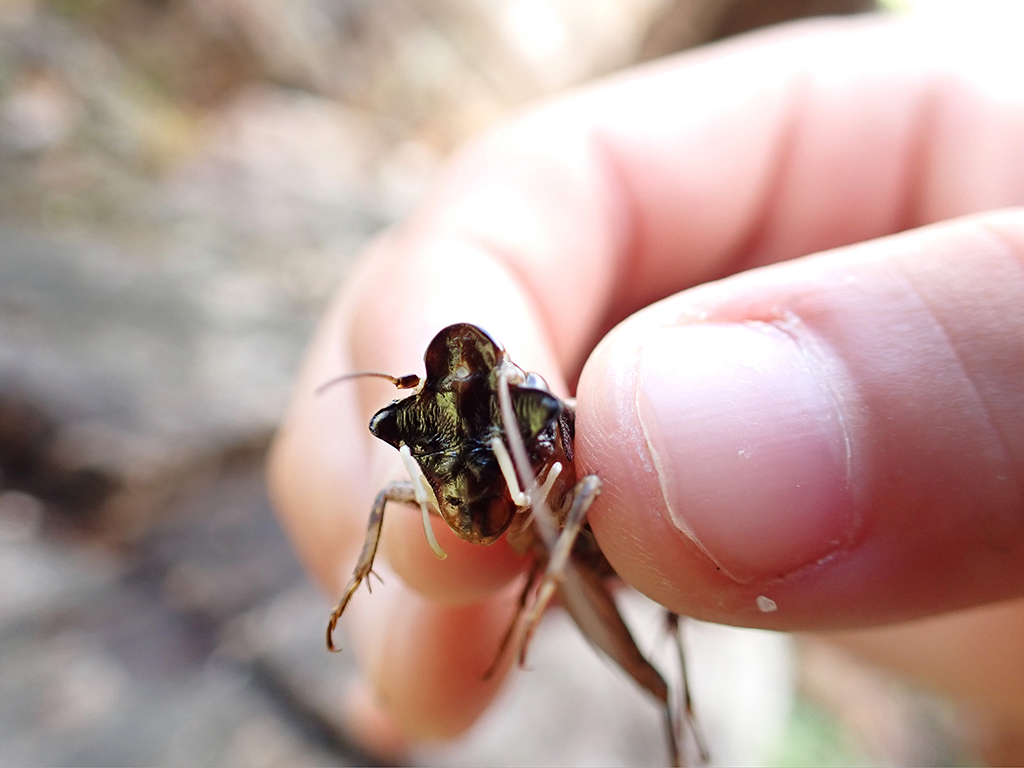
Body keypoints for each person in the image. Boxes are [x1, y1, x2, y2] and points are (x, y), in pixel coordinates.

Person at [268, 12, 1024, 761]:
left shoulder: (567, 456)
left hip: (613, 550)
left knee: (657, 677)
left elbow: (587, 496)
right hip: (605, 562)